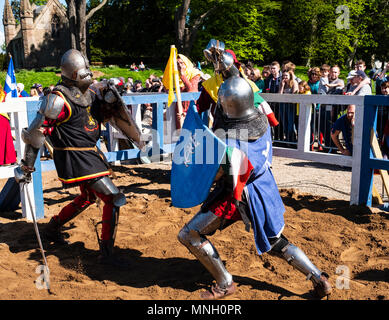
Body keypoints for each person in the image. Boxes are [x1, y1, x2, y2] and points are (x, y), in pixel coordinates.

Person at [177, 39, 332, 300]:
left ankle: (225, 282)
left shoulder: (230, 146)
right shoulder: (260, 122)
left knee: (189, 234)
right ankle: (319, 277)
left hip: (237, 196)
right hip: (263, 189)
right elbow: (242, 111)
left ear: (225, 107)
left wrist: (192, 153)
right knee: (275, 242)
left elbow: (214, 172)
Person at [14, 49, 143, 265]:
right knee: (113, 197)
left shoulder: (90, 94)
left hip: (91, 155)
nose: (88, 76)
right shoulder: (57, 100)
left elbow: (94, 119)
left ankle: (53, 228)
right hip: (74, 158)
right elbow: (36, 135)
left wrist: (109, 103)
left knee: (88, 197)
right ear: (73, 74)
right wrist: (27, 167)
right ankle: (107, 253)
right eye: (84, 73)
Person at [279, 70, 299, 143]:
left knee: (290, 124)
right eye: (283, 76)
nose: (284, 77)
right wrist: (282, 86)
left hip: (291, 105)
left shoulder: (294, 82)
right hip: (283, 105)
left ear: (290, 76)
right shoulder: (282, 83)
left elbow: (294, 95)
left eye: (286, 75)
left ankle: (292, 140)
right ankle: (288, 140)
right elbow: (279, 95)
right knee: (285, 123)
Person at [0, 84, 17, 165]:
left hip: (2, 118)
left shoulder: (3, 94)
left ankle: (6, 159)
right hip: (3, 119)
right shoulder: (4, 94)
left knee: (3, 140)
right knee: (5, 140)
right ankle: (9, 159)